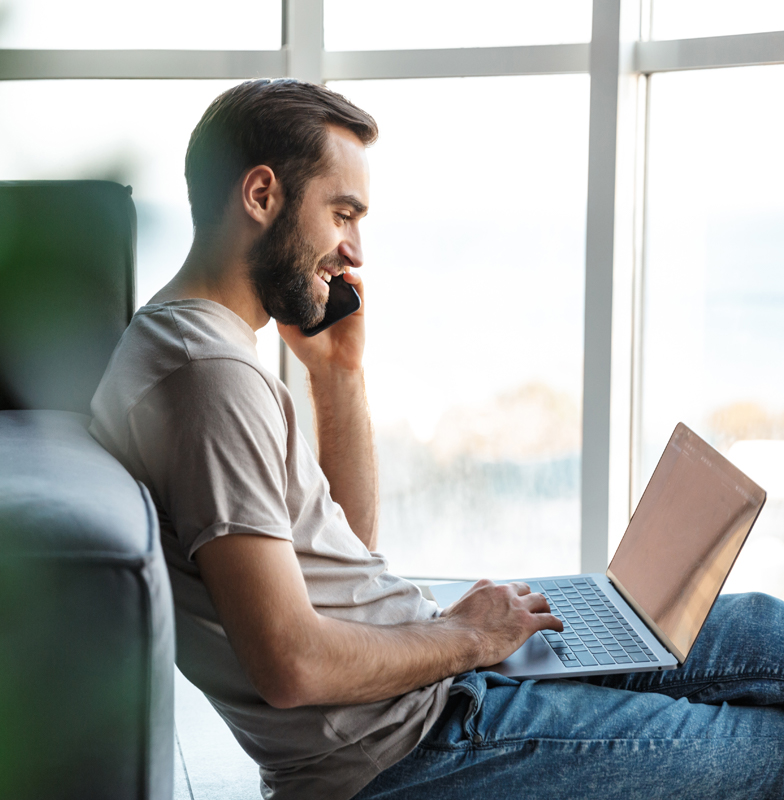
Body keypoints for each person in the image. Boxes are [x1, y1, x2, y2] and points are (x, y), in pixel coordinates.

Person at [90, 79, 784, 800]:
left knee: (758, 631)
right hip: (414, 743)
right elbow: (290, 663)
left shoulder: (186, 344)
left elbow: (342, 555)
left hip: (430, 676)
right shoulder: (209, 377)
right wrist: (472, 640)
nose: (352, 248)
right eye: (343, 212)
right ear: (262, 195)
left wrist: (338, 376)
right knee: (764, 750)